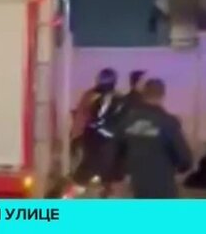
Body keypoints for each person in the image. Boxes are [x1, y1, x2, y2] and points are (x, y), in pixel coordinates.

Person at [115, 78, 193, 198]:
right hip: (162, 187)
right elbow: (185, 159)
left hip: (135, 186)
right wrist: (180, 170)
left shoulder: (127, 121)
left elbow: (116, 150)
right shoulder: (167, 122)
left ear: (143, 94)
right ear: (162, 95)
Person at [71, 68, 126, 197]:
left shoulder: (91, 96)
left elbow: (80, 120)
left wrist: (76, 138)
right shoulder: (117, 98)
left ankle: (72, 198)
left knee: (83, 178)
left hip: (93, 144)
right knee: (105, 179)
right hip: (103, 147)